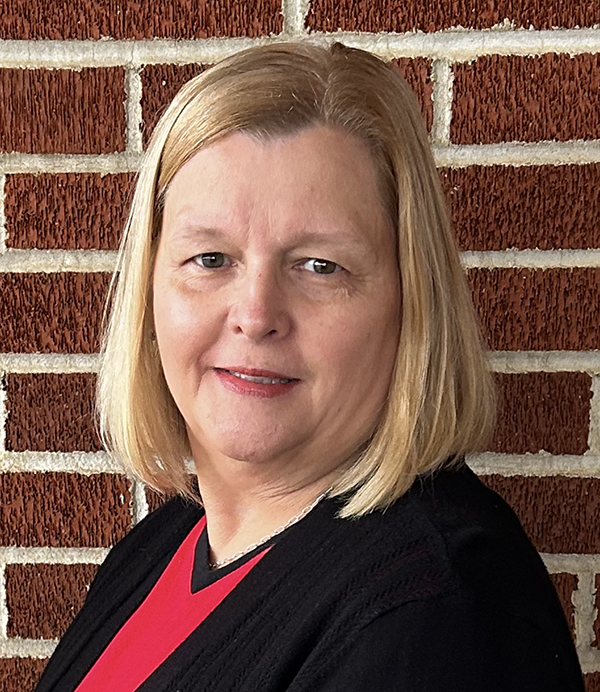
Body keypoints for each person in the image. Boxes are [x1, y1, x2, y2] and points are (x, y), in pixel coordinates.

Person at [36, 42, 584, 692]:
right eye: (210, 259)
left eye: (320, 266)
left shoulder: (435, 619)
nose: (255, 312)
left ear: (412, 303)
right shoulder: (162, 547)